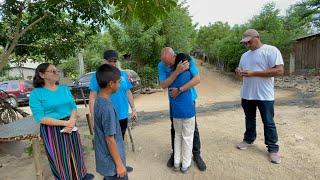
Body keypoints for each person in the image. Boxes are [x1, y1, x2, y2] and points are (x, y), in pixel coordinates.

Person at [29, 63, 94, 180]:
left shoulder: (64, 89)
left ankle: (80, 175)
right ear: (42, 74)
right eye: (52, 71)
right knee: (59, 156)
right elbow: (40, 117)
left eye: (56, 71)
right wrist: (66, 124)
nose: (56, 73)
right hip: (52, 128)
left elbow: (73, 107)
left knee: (76, 150)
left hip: (70, 123)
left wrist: (72, 121)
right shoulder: (36, 94)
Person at [235, 29, 284, 164]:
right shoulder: (244, 55)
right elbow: (240, 71)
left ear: (257, 37)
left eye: (248, 42)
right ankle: (248, 139)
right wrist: (238, 72)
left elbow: (279, 70)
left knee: (268, 122)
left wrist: (254, 73)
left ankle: (273, 149)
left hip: (265, 95)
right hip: (247, 94)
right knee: (249, 118)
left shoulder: (271, 50)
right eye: (245, 43)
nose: (247, 45)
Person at [158, 47, 207, 171]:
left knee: (192, 129)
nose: (167, 65)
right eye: (165, 62)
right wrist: (177, 71)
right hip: (174, 101)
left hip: (188, 99)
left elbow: (197, 79)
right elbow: (163, 85)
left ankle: (196, 154)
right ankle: (176, 155)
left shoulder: (186, 60)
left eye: (169, 62)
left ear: (174, 56)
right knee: (175, 128)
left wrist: (180, 90)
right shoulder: (162, 65)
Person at [89, 50, 137, 172]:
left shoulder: (122, 74)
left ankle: (120, 164)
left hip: (121, 114)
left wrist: (133, 109)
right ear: (104, 61)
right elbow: (93, 97)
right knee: (109, 141)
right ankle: (113, 168)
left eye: (114, 61)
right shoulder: (98, 75)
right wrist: (94, 117)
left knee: (119, 140)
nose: (112, 63)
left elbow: (128, 92)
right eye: (110, 61)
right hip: (106, 114)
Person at [94, 64, 128, 180]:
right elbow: (110, 139)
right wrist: (119, 165)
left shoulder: (99, 100)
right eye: (118, 82)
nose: (119, 84)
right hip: (112, 164)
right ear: (111, 84)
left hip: (106, 158)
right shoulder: (107, 107)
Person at [169, 53, 196, 173]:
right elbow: (198, 79)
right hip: (188, 111)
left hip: (176, 112)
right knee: (188, 137)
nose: (189, 64)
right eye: (187, 62)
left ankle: (176, 163)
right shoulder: (189, 74)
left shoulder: (171, 75)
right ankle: (185, 164)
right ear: (182, 63)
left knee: (178, 136)